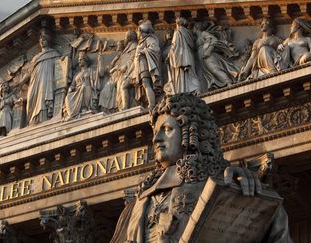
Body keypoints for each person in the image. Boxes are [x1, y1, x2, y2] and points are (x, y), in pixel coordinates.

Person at [110, 93, 292, 243]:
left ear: (191, 132)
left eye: (166, 129)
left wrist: (251, 194)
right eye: (156, 131)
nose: (156, 139)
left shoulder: (226, 184)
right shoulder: (138, 204)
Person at [23, 31, 61, 125]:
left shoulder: (54, 53)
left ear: (48, 41)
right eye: (40, 40)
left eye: (44, 40)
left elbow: (60, 66)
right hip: (35, 80)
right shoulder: (36, 57)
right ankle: (34, 117)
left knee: (43, 95)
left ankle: (44, 117)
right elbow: (29, 72)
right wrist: (21, 82)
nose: (42, 42)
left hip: (47, 77)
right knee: (33, 97)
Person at [194, 22, 239, 90]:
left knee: (214, 69)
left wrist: (208, 51)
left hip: (208, 56)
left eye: (193, 28)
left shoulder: (203, 33)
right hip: (203, 58)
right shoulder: (198, 37)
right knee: (212, 71)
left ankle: (228, 82)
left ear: (196, 28)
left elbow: (214, 40)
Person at [134, 20, 161, 110]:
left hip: (146, 66)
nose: (137, 34)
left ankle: (152, 105)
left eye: (138, 31)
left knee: (146, 84)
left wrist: (142, 51)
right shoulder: (142, 41)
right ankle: (149, 103)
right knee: (145, 85)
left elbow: (155, 48)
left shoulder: (149, 39)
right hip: (141, 66)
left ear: (141, 31)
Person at [169, 17, 201, 94]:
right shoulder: (189, 33)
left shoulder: (177, 32)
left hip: (180, 56)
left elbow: (174, 46)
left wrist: (170, 55)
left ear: (177, 24)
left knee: (181, 75)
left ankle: (183, 91)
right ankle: (197, 89)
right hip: (189, 56)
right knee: (192, 74)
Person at [63, 52, 98, 120]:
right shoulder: (77, 74)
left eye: (81, 59)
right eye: (78, 59)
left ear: (85, 60)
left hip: (87, 89)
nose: (79, 61)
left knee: (84, 87)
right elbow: (73, 85)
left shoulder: (90, 71)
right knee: (67, 97)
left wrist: (100, 59)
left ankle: (84, 108)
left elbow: (96, 79)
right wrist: (70, 88)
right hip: (77, 91)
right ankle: (72, 114)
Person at [110, 30, 138, 111]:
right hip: (122, 74)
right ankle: (123, 107)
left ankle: (126, 106)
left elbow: (133, 59)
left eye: (125, 37)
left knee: (124, 87)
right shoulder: (127, 48)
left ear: (129, 38)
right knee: (120, 92)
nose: (124, 39)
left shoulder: (134, 46)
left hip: (129, 72)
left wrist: (125, 67)